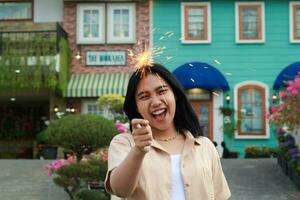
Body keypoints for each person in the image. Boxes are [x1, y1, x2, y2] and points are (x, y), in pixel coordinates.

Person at [105, 63, 231, 200]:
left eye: (162, 91)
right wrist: (138, 151)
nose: (156, 102)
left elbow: (220, 196)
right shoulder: (125, 144)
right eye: (144, 96)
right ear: (136, 107)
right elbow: (120, 190)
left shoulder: (205, 146)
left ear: (175, 94)